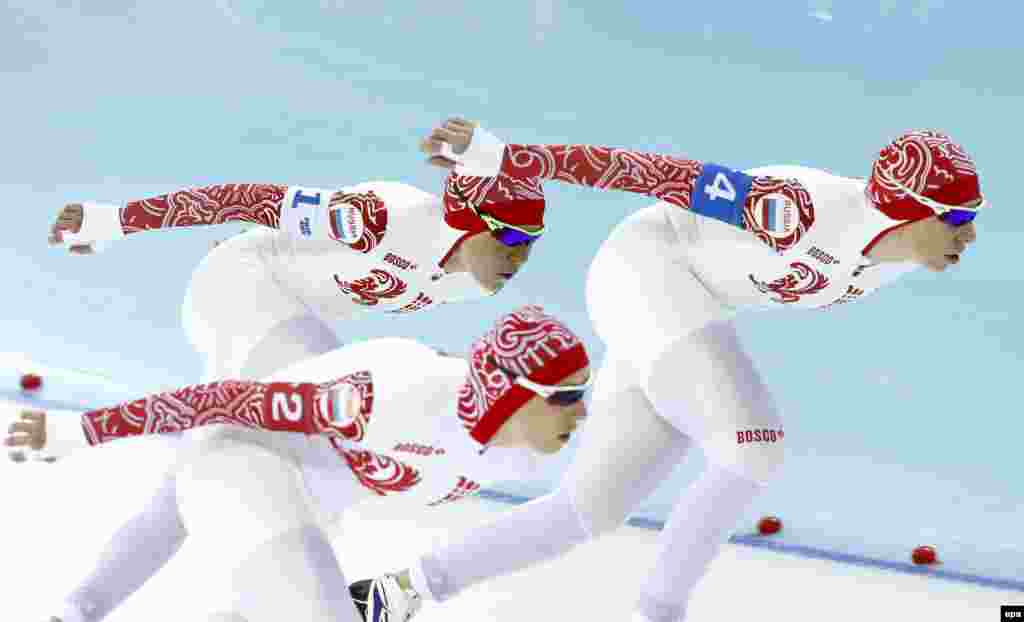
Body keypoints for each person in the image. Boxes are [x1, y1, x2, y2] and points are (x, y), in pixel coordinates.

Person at [344, 120, 983, 622]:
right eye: (956, 219)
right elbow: (647, 172)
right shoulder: (798, 210)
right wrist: (504, 158)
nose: (969, 235)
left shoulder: (903, 254)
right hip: (648, 272)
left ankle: (402, 588)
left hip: (683, 306)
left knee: (588, 510)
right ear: (907, 209)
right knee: (752, 447)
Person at [4, 306, 592, 622]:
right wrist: (78, 428)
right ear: (511, 394)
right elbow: (221, 401)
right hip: (242, 450)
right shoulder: (396, 393)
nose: (583, 412)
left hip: (304, 492)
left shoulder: (517, 455)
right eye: (568, 395)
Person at [47, 119, 547, 384]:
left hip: (288, 316)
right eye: (511, 239)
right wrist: (112, 221)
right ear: (467, 221)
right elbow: (243, 200)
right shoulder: (381, 218)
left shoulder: (472, 289)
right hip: (242, 282)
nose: (521, 259)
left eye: (532, 245)